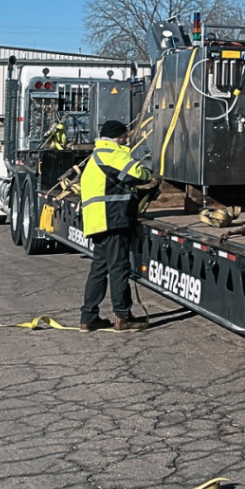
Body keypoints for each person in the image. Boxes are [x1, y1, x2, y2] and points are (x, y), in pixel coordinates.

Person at [79, 120, 154, 333]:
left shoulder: (96, 156)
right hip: (112, 220)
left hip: (98, 221)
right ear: (116, 137)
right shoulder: (111, 153)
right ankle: (123, 317)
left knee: (99, 270)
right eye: (124, 136)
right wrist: (152, 176)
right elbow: (137, 173)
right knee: (119, 268)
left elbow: (117, 183)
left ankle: (88, 317)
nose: (127, 140)